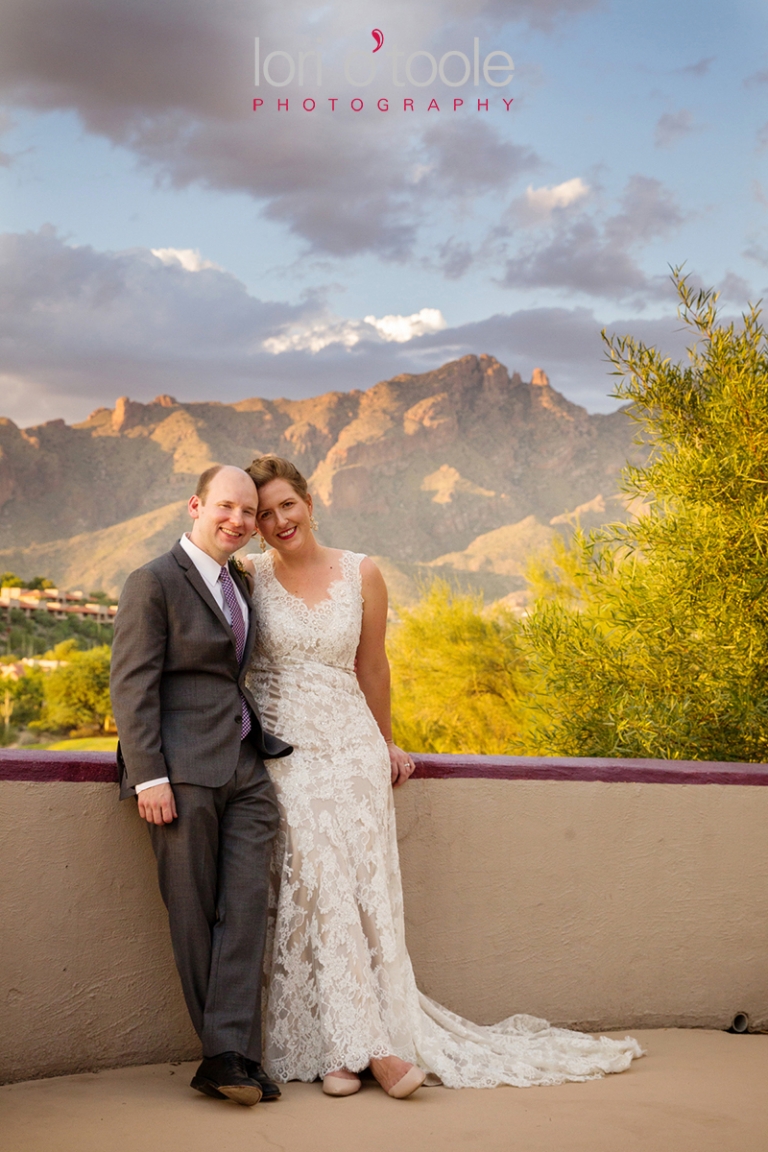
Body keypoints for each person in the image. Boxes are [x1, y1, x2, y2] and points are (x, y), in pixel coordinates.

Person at [242, 455, 643, 1099]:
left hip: (351, 750)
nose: (277, 520)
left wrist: (386, 742)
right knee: (314, 885)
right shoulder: (247, 576)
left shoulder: (361, 572)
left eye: (286, 504)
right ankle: (366, 1051)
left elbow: (373, 667)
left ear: (310, 502)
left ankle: (343, 1052)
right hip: (285, 753)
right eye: (263, 513)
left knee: (364, 899)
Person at [110, 464, 293, 1107]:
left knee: (244, 910)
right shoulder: (152, 582)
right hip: (180, 775)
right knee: (192, 912)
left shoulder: (239, 583)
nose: (238, 521)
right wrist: (149, 776)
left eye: (249, 512)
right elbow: (132, 687)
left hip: (247, 768)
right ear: (195, 505)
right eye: (226, 507)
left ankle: (234, 1051)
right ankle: (221, 1056)